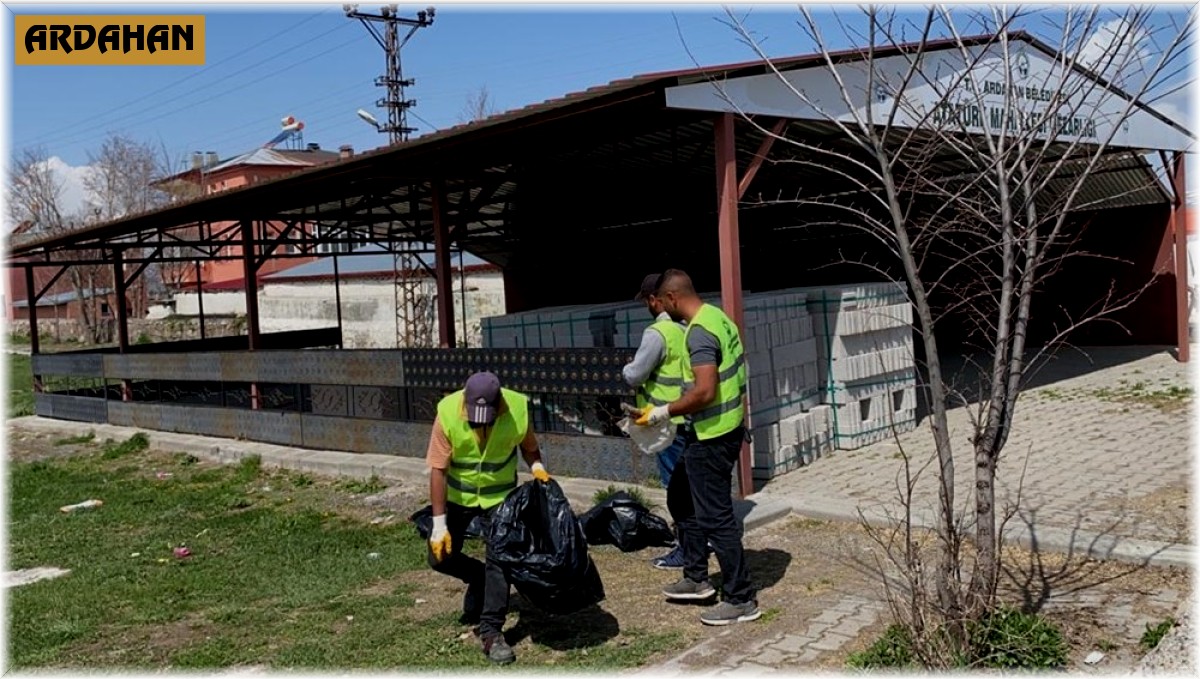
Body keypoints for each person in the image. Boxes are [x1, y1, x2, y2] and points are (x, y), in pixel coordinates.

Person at [635, 268, 760, 626]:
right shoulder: (718, 318)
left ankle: (741, 598)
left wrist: (663, 412)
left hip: (713, 436)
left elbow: (705, 391)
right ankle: (696, 577)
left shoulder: (700, 333)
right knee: (680, 497)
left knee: (715, 517)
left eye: (662, 302)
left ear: (672, 298)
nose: (661, 309)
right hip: (716, 430)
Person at [425, 371, 551, 664]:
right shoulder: (447, 412)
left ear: (501, 404)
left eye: (488, 416)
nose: (481, 422)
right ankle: (477, 578)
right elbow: (438, 469)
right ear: (465, 403)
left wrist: (537, 468)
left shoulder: (517, 409)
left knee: (499, 559)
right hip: (459, 497)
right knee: (438, 557)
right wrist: (439, 524)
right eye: (475, 416)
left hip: (499, 498)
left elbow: (529, 447)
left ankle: (491, 631)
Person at [623, 273, 690, 569]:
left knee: (676, 487)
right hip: (689, 414)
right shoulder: (688, 327)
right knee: (692, 482)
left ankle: (685, 547)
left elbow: (635, 375)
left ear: (655, 299)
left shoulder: (657, 333)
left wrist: (627, 368)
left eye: (647, 301)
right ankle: (704, 538)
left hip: (664, 420)